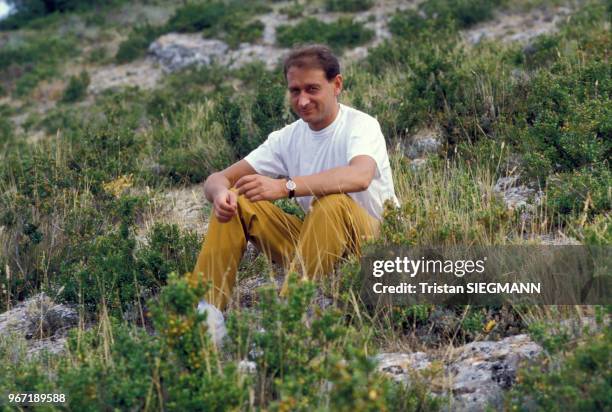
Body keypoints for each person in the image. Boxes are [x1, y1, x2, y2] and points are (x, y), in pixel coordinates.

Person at [192, 44, 399, 345]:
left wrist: (285, 186)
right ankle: (207, 319)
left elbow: (360, 176)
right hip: (317, 249)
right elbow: (217, 178)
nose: (302, 101)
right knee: (240, 197)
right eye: (294, 90)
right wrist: (220, 194)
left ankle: (290, 318)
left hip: (373, 247)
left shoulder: (361, 125)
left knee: (333, 202)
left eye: (312, 89)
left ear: (336, 84)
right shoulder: (287, 138)